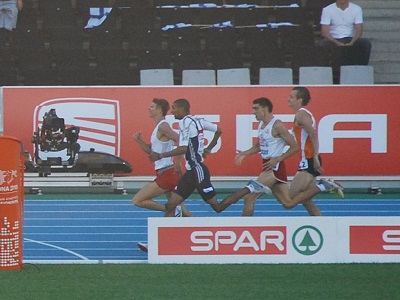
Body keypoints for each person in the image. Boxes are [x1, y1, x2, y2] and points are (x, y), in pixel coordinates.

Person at [216, 97, 344, 216]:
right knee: (288, 203)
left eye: (256, 108)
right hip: (271, 166)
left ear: (264, 109)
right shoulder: (262, 125)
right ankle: (322, 186)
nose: (253, 112)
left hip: (273, 168)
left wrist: (278, 159)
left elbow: (294, 147)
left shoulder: (277, 125)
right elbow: (258, 146)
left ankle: (245, 228)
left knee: (249, 198)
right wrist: (245, 153)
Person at [148, 98, 228, 217]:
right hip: (191, 171)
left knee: (218, 207)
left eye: (174, 108)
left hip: (197, 169)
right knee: (171, 205)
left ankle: (249, 188)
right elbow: (218, 131)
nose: (172, 112)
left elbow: (183, 148)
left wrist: (161, 155)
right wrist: (209, 148)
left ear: (182, 109)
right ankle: (169, 231)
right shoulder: (197, 120)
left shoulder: (185, 122)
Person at [132, 98, 192, 218]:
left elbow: (181, 141)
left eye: (152, 107)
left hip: (167, 173)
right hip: (163, 172)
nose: (149, 108)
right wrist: (139, 141)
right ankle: (199, 226)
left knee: (138, 200)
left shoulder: (163, 126)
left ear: (159, 110)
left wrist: (178, 162)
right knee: (183, 214)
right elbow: (151, 152)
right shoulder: (158, 127)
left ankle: (170, 209)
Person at [319, 0, 372, 81]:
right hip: (334, 38)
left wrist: (352, 42)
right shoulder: (327, 9)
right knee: (322, 44)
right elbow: (324, 32)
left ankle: (360, 70)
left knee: (365, 44)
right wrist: (336, 42)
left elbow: (359, 30)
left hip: (350, 38)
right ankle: (326, 73)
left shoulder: (356, 9)